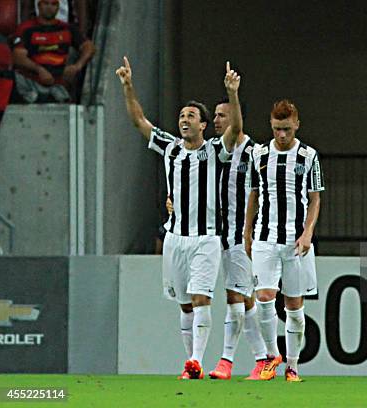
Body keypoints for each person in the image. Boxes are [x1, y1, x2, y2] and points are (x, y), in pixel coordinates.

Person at [116, 56, 241, 379]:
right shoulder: (170, 147)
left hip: (206, 238)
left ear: (203, 125)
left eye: (192, 116)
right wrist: (128, 87)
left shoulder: (214, 150)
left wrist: (232, 93)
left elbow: (236, 128)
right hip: (175, 238)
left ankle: (197, 360)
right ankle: (191, 363)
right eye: (182, 115)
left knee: (201, 299)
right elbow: (139, 121)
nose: (184, 119)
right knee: (185, 305)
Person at [168, 98, 268, 380]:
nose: (217, 122)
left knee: (239, 296)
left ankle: (228, 360)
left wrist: (254, 233)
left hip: (240, 235)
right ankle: (264, 358)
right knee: (241, 298)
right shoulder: (213, 150)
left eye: (223, 116)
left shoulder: (254, 151)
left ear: (236, 117)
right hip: (212, 235)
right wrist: (172, 199)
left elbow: (262, 193)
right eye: (216, 118)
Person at [244, 100, 324, 382]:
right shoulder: (258, 154)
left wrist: (308, 233)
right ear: (271, 125)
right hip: (265, 237)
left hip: (295, 241)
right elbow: (253, 194)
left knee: (294, 305)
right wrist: (247, 231)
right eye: (277, 129)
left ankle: (293, 366)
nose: (282, 135)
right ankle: (270, 357)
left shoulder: (308, 155)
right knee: (264, 297)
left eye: (287, 129)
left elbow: (315, 199)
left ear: (297, 125)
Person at [12, 0, 95, 103]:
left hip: (58, 82)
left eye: (53, 4)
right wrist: (39, 70)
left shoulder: (67, 28)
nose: (49, 7)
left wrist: (77, 66)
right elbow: (18, 57)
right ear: (39, 5)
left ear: (58, 7)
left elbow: (89, 47)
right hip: (32, 81)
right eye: (46, 3)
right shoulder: (26, 28)